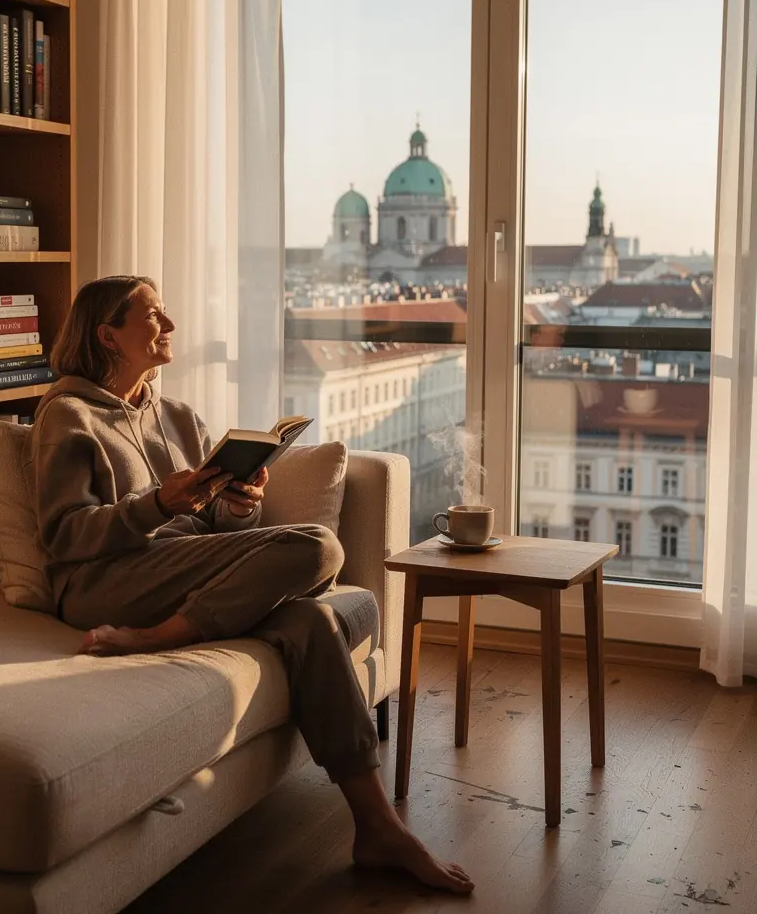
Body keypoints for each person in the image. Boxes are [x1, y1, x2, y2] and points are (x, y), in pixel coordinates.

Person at [30, 275, 474, 895]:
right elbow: (65, 537)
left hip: (184, 567)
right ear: (109, 336)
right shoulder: (67, 416)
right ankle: (156, 638)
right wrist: (157, 503)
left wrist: (241, 502)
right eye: (155, 315)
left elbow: (213, 523)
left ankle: (377, 827)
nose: (171, 326)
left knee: (313, 621)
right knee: (318, 547)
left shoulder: (175, 415)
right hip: (104, 581)